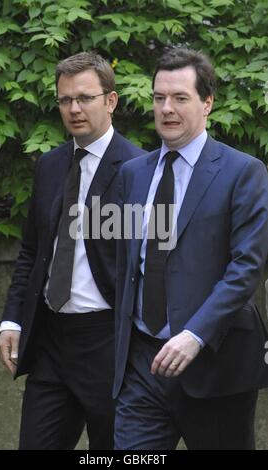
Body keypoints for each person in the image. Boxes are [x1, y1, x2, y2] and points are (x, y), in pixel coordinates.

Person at [114, 47, 268, 450]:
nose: (167, 108)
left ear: (207, 103)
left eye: (180, 98)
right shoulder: (133, 174)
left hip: (216, 364)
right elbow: (130, 264)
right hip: (144, 366)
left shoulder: (243, 171)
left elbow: (247, 266)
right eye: (159, 97)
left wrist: (195, 334)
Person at [0, 51, 145, 450]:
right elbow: (31, 251)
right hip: (49, 340)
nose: (74, 109)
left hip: (108, 344)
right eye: (65, 100)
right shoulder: (49, 164)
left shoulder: (138, 169)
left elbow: (150, 267)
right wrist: (12, 321)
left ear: (110, 101)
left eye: (85, 98)